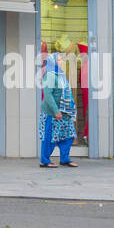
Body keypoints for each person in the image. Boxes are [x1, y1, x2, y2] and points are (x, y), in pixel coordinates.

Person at [38, 40, 78, 168]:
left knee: (69, 135)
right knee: (49, 136)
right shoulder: (50, 75)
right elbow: (48, 95)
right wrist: (56, 111)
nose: (62, 62)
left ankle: (65, 158)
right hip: (52, 112)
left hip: (64, 112)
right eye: (59, 60)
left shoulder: (60, 74)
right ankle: (44, 160)